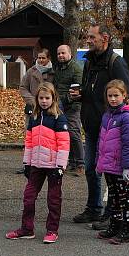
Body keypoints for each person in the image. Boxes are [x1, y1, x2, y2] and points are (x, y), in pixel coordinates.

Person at [69, 24, 129, 226]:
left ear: (104, 38)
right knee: (91, 168)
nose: (87, 40)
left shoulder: (115, 62)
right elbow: (93, 90)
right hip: (91, 126)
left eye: (92, 37)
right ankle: (94, 209)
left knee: (111, 174)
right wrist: (80, 94)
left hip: (110, 129)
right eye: (87, 37)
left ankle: (112, 215)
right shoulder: (89, 61)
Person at [6, 82, 69, 243]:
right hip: (36, 164)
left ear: (53, 99)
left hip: (53, 166)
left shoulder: (58, 117)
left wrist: (61, 166)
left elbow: (64, 144)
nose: (44, 101)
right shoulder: (34, 117)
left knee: (53, 199)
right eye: (41, 98)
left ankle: (52, 230)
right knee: (28, 197)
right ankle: (27, 228)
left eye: (47, 98)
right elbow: (29, 141)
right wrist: (26, 162)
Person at [94, 80, 129, 244]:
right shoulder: (107, 115)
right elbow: (101, 142)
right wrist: (98, 162)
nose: (113, 99)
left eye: (116, 95)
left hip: (120, 165)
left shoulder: (127, 117)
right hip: (108, 165)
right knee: (114, 198)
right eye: (110, 96)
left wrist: (127, 167)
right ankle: (115, 226)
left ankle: (127, 229)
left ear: (124, 95)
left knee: (124, 198)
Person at [17, 49, 54, 174]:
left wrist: (50, 101)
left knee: (47, 137)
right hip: (33, 108)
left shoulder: (53, 72)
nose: (41, 60)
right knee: (30, 136)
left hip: (50, 109)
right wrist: (33, 100)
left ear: (48, 58)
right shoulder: (31, 71)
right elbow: (23, 87)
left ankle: (48, 163)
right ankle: (28, 163)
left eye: (43, 58)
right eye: (39, 58)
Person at [53, 44, 85, 176]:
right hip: (59, 106)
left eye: (63, 53)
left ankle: (81, 164)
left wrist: (63, 101)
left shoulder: (76, 68)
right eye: (59, 53)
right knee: (64, 134)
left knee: (74, 133)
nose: (61, 55)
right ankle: (71, 161)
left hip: (72, 106)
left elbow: (77, 90)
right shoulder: (58, 68)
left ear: (70, 54)